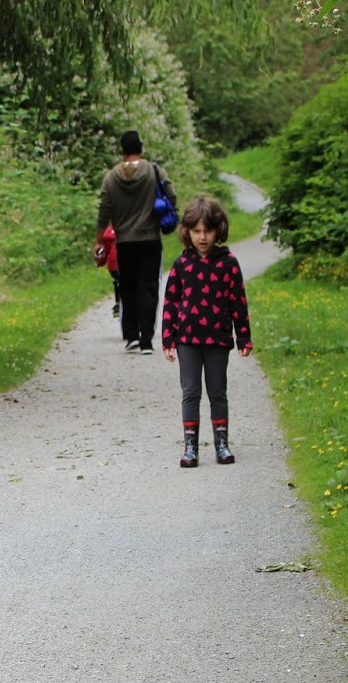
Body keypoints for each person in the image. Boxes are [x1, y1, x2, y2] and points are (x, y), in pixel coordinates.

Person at [161, 196, 252, 467]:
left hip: (218, 338)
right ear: (187, 232)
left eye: (208, 231)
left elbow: (238, 302)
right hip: (187, 339)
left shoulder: (228, 263)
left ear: (218, 230)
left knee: (217, 391)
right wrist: (168, 338)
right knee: (190, 391)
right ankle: (190, 448)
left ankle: (221, 444)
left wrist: (243, 337)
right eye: (197, 231)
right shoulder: (181, 264)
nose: (202, 237)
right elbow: (171, 302)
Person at [95, 130, 175, 354]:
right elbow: (171, 196)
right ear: (141, 148)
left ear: (122, 151)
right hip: (150, 239)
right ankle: (146, 340)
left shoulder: (111, 177)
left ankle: (131, 336)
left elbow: (104, 210)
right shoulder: (155, 171)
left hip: (123, 241)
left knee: (127, 287)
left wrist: (98, 241)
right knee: (149, 288)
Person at [94, 224, 122, 319]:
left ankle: (118, 304)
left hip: (114, 266)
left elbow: (104, 253)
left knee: (117, 281)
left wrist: (100, 263)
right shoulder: (130, 226)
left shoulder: (108, 232)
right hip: (128, 263)